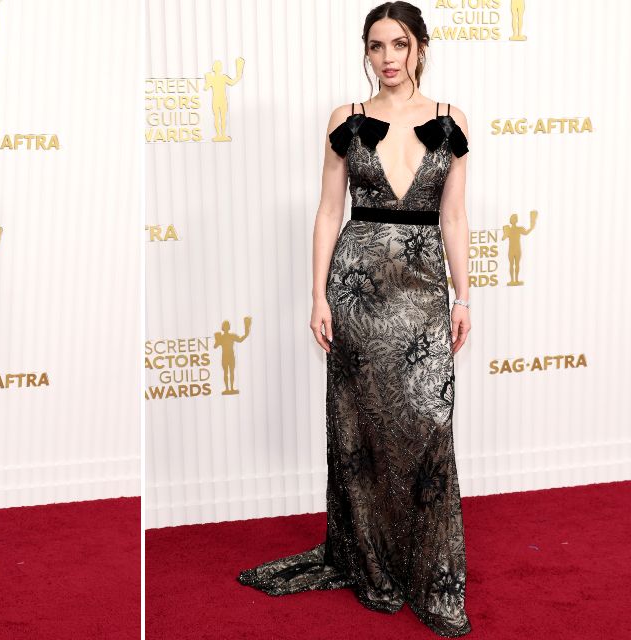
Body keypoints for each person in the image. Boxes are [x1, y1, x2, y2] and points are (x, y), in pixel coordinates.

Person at [236, 2, 473, 637]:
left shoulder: (451, 122)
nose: (388, 56)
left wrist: (464, 295)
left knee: (428, 426)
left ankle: (428, 568)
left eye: (399, 43)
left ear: (420, 47)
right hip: (357, 288)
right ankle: (369, 559)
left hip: (425, 289)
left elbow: (453, 217)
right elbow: (326, 211)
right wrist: (317, 295)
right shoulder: (348, 120)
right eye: (376, 45)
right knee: (361, 431)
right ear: (365, 52)